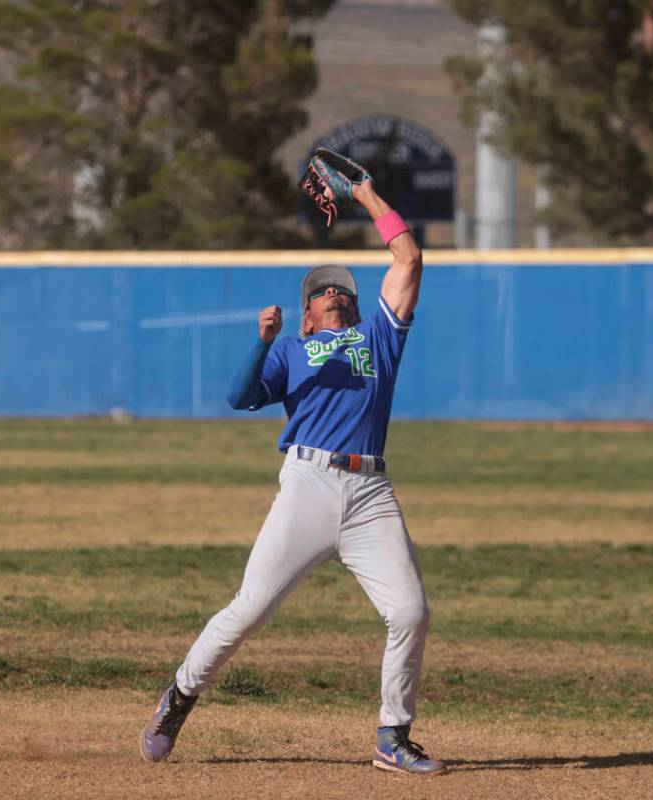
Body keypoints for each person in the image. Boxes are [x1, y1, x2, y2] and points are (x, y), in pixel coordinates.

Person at [139, 158, 444, 776]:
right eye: (320, 291)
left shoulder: (380, 338)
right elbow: (240, 398)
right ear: (307, 316)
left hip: (370, 491)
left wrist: (366, 194)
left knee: (410, 611)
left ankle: (393, 735)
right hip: (308, 483)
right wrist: (261, 340)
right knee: (247, 611)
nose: (332, 292)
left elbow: (408, 259)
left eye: (341, 289)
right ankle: (179, 696)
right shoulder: (291, 349)